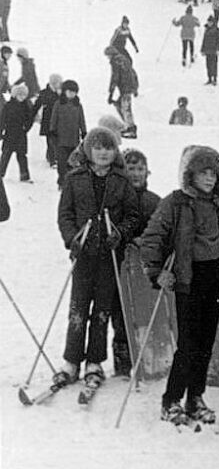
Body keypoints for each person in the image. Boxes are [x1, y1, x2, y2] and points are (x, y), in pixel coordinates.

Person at [141, 146, 219, 424]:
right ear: (191, 175)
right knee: (188, 343)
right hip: (189, 279)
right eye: (203, 173)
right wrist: (155, 271)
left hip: (214, 277)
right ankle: (171, 399)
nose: (210, 179)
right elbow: (152, 238)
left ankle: (195, 397)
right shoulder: (175, 203)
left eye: (214, 174)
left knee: (206, 342)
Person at [54, 127, 140, 392]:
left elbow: (132, 216)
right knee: (78, 309)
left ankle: (94, 361)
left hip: (109, 255)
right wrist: (72, 238)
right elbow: (65, 214)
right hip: (83, 255)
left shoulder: (122, 181)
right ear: (88, 150)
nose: (103, 153)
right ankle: (71, 360)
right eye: (98, 147)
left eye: (109, 148)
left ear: (115, 152)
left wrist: (120, 233)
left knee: (102, 310)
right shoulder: (74, 178)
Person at [111, 149, 161, 375]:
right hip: (121, 264)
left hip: (144, 268)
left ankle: (148, 355)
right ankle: (122, 358)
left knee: (144, 310)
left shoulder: (154, 201)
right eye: (131, 168)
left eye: (140, 168)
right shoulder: (116, 199)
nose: (136, 173)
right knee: (120, 310)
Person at [50, 79, 87, 187]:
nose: (71, 94)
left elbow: (82, 119)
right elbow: (54, 118)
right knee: (62, 163)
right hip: (61, 140)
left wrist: (84, 131)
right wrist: (52, 131)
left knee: (73, 162)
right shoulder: (58, 104)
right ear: (64, 92)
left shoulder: (78, 106)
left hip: (73, 140)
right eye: (69, 91)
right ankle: (62, 181)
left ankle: (71, 182)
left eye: (74, 92)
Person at [105, 46, 139, 139]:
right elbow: (133, 73)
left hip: (125, 88)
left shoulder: (115, 62)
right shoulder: (125, 59)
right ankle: (128, 126)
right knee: (119, 105)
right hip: (129, 86)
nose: (108, 58)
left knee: (125, 108)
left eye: (108, 56)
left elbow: (114, 77)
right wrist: (135, 88)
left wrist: (111, 93)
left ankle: (131, 128)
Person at [0, 84, 32, 182]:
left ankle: (24, 176)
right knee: (5, 155)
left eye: (24, 95)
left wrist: (26, 127)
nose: (22, 97)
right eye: (20, 95)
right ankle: (1, 173)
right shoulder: (8, 106)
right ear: (15, 95)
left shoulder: (26, 106)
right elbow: (2, 120)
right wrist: (1, 132)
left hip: (21, 136)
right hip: (9, 134)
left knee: (22, 156)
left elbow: (29, 119)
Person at [32, 73, 61, 167]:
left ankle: (50, 156)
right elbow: (37, 105)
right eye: (57, 83)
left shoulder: (61, 93)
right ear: (53, 83)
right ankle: (52, 160)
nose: (59, 85)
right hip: (47, 121)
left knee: (55, 140)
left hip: (58, 121)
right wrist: (31, 116)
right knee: (50, 140)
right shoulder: (44, 93)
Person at [201, 16, 219, 85]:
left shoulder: (217, 30)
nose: (209, 23)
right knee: (208, 65)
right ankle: (209, 78)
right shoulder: (206, 29)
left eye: (210, 22)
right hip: (207, 50)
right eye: (208, 22)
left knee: (214, 65)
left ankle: (215, 79)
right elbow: (204, 40)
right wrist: (202, 49)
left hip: (214, 50)